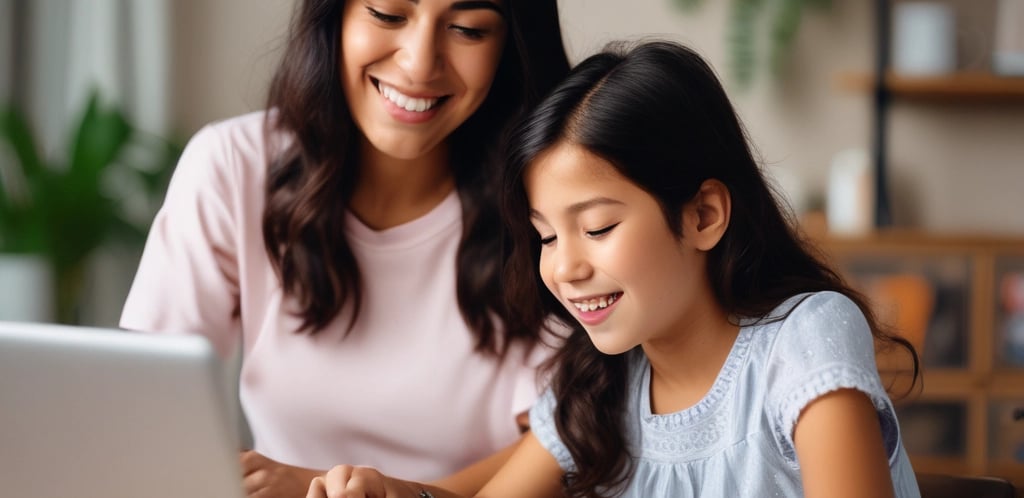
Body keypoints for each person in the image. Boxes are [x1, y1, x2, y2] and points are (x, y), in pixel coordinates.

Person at [306, 40, 923, 498]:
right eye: (546, 236)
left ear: (704, 215)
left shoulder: (804, 338)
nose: (565, 267)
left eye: (598, 228)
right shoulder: (603, 384)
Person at [119, 0, 570, 497]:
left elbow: (562, 438)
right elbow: (146, 402)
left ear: (510, 48)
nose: (419, 64)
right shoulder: (233, 165)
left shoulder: (550, 200)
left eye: (467, 29)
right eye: (387, 14)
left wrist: (377, 492)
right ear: (334, 17)